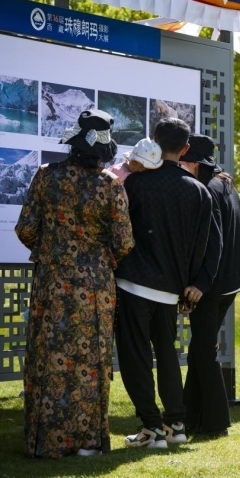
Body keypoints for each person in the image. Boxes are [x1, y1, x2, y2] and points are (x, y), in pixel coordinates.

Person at [16, 109, 134, 458]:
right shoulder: (109, 185)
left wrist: (52, 247)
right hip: (94, 286)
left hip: (51, 280)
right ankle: (87, 442)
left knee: (47, 355)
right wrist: (98, 256)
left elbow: (25, 228)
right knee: (90, 360)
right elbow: (124, 242)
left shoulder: (46, 175)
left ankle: (44, 442)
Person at [115, 118, 213, 449]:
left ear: (154, 140)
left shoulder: (136, 183)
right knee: (168, 355)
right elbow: (204, 246)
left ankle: (151, 428)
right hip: (172, 289)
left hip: (133, 282)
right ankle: (176, 425)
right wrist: (192, 285)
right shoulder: (199, 190)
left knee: (136, 356)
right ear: (186, 149)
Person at [180, 134, 240, 437]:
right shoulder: (224, 184)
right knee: (200, 348)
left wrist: (198, 284)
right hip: (229, 281)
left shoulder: (208, 190)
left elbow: (210, 244)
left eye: (183, 163)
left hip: (212, 283)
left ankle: (216, 422)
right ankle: (190, 416)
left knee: (203, 351)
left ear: (194, 163)